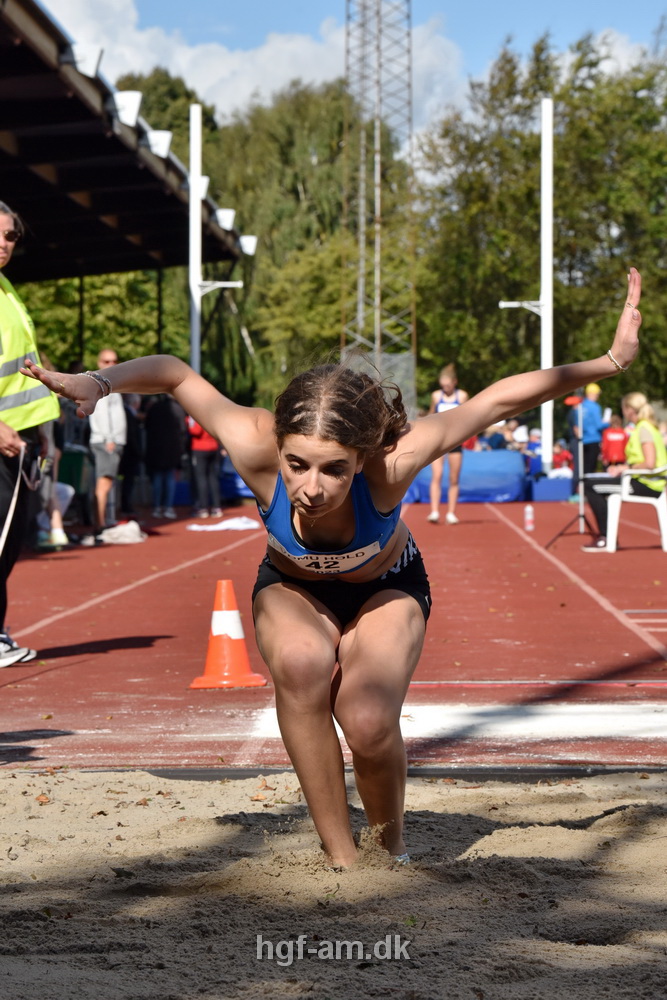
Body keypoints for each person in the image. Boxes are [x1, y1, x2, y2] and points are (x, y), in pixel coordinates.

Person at [21, 268, 643, 866]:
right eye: (297, 465)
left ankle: (390, 852)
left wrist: (609, 362)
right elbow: (176, 374)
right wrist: (98, 382)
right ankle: (342, 859)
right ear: (279, 448)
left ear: (362, 458)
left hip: (387, 587)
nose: (311, 488)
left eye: (334, 470)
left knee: (367, 721)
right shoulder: (252, 442)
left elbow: (495, 401)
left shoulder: (393, 463)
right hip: (293, 587)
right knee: (300, 664)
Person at [0, 200, 60, 666]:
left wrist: (41, 429)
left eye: (10, 236)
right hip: (3, 439)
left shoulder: (6, 290)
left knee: (9, 543)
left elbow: (21, 371)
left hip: (20, 439)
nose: (4, 244)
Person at [583, 391, 665, 551]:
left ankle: (606, 537)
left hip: (647, 484)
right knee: (595, 483)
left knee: (591, 486)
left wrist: (624, 468)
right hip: (645, 481)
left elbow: (649, 463)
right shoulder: (645, 427)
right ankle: (608, 536)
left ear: (629, 409)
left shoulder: (643, 428)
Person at [88, 348, 126, 531]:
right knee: (104, 482)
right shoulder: (101, 384)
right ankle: (101, 523)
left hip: (112, 440)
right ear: (99, 363)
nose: (111, 364)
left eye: (114, 361)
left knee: (107, 481)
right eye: (107, 361)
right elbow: (101, 414)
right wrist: (109, 439)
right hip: (106, 440)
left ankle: (104, 520)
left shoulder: (110, 383)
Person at [426, 364, 469, 524]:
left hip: (455, 441)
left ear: (454, 382)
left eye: (448, 385)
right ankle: (434, 511)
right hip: (438, 440)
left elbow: (468, 415)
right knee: (437, 475)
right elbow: (431, 415)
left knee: (453, 478)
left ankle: (451, 513)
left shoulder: (462, 396)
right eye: (443, 385)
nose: (445, 388)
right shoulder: (436, 396)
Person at [144, 394, 186, 519]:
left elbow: (147, 426)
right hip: (172, 449)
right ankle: (168, 507)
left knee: (158, 478)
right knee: (169, 478)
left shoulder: (154, 408)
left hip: (156, 448)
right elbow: (183, 429)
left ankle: (157, 507)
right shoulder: (177, 409)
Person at [187, 414, 224, 518]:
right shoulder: (212, 415)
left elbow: (195, 431)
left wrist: (188, 422)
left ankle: (203, 507)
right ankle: (216, 507)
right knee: (212, 477)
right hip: (213, 447)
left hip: (200, 449)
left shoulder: (196, 414)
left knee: (201, 478)